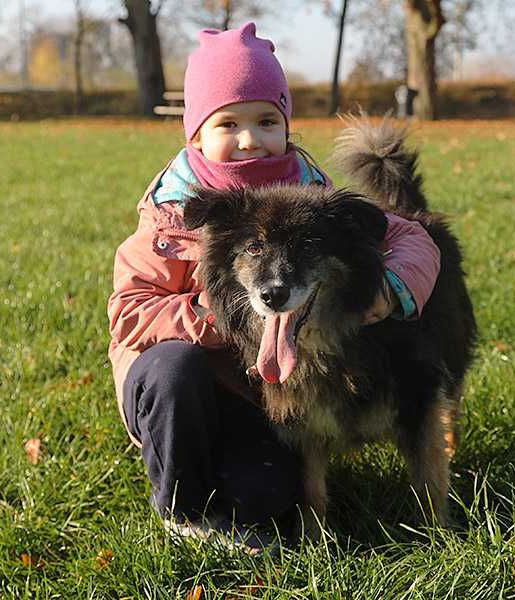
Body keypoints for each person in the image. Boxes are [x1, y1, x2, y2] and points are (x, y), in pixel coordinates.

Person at [107, 22, 441, 550]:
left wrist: (393, 288)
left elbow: (412, 236)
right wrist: (222, 316)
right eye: (227, 123)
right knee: (176, 367)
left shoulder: (314, 196)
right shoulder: (173, 213)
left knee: (267, 497)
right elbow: (129, 311)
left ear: (286, 125)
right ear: (196, 134)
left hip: (261, 398)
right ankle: (182, 508)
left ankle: (238, 484)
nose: (249, 139)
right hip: (185, 391)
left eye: (267, 120)